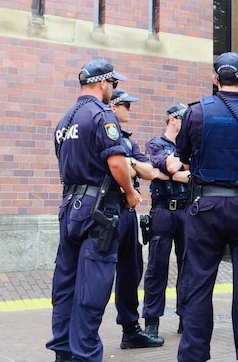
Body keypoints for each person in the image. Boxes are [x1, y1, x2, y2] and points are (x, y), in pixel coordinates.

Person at [175, 52, 238, 362]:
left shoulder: (195, 113)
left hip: (204, 207)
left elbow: (183, 154)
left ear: (216, 79)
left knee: (198, 284)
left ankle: (193, 355)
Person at [47, 59, 141, 362]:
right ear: (103, 83)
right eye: (112, 84)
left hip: (69, 208)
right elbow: (116, 163)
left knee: (66, 285)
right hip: (98, 211)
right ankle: (85, 355)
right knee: (93, 287)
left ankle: (63, 351)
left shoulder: (65, 120)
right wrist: (130, 192)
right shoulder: (102, 115)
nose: (112, 90)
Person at [107, 88, 166, 349]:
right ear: (114, 107)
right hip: (109, 211)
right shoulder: (104, 133)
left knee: (131, 272)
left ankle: (130, 329)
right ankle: (84, 333)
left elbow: (150, 171)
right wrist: (131, 166)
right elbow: (114, 167)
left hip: (129, 211)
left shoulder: (128, 140)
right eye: (126, 106)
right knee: (101, 272)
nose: (129, 110)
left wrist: (128, 161)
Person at [142, 102, 192, 338]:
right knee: (156, 268)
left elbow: (193, 177)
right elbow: (167, 167)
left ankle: (186, 318)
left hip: (187, 211)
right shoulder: (155, 144)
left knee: (188, 267)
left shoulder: (191, 145)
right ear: (173, 119)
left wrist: (167, 173)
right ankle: (151, 322)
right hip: (162, 211)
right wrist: (171, 170)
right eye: (184, 119)